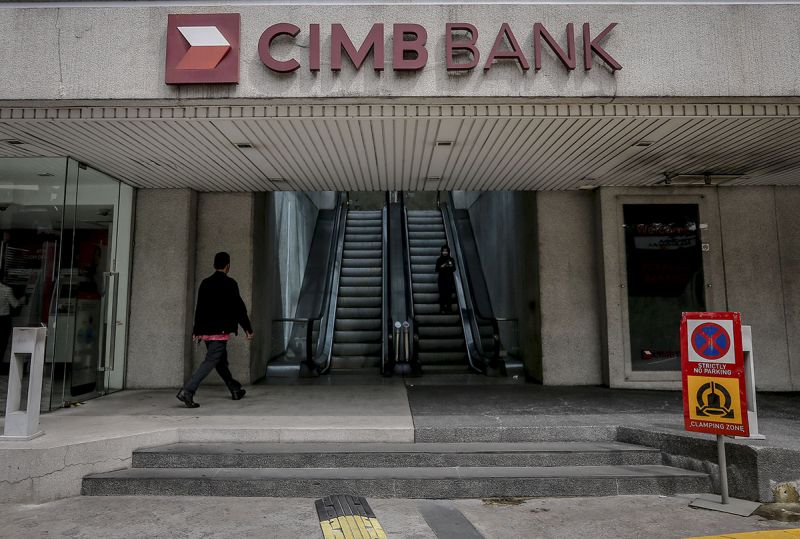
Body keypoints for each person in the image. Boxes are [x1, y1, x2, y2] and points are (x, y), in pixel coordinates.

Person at [176, 252, 254, 408]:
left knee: (220, 362)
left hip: (205, 331)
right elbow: (239, 308)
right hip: (220, 331)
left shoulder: (205, 283)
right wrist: (247, 328)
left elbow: (199, 308)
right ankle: (188, 390)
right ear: (228, 266)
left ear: (214, 265)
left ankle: (235, 389)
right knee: (212, 360)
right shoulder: (230, 283)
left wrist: (196, 330)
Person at [435, 245, 456, 314]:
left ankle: (449, 308)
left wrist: (450, 265)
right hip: (441, 279)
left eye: (446, 251)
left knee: (449, 294)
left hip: (449, 279)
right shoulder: (439, 259)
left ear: (448, 252)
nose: (445, 253)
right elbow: (437, 269)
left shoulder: (451, 259)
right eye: (443, 251)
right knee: (442, 294)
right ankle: (442, 308)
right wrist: (442, 266)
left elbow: (454, 269)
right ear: (441, 252)